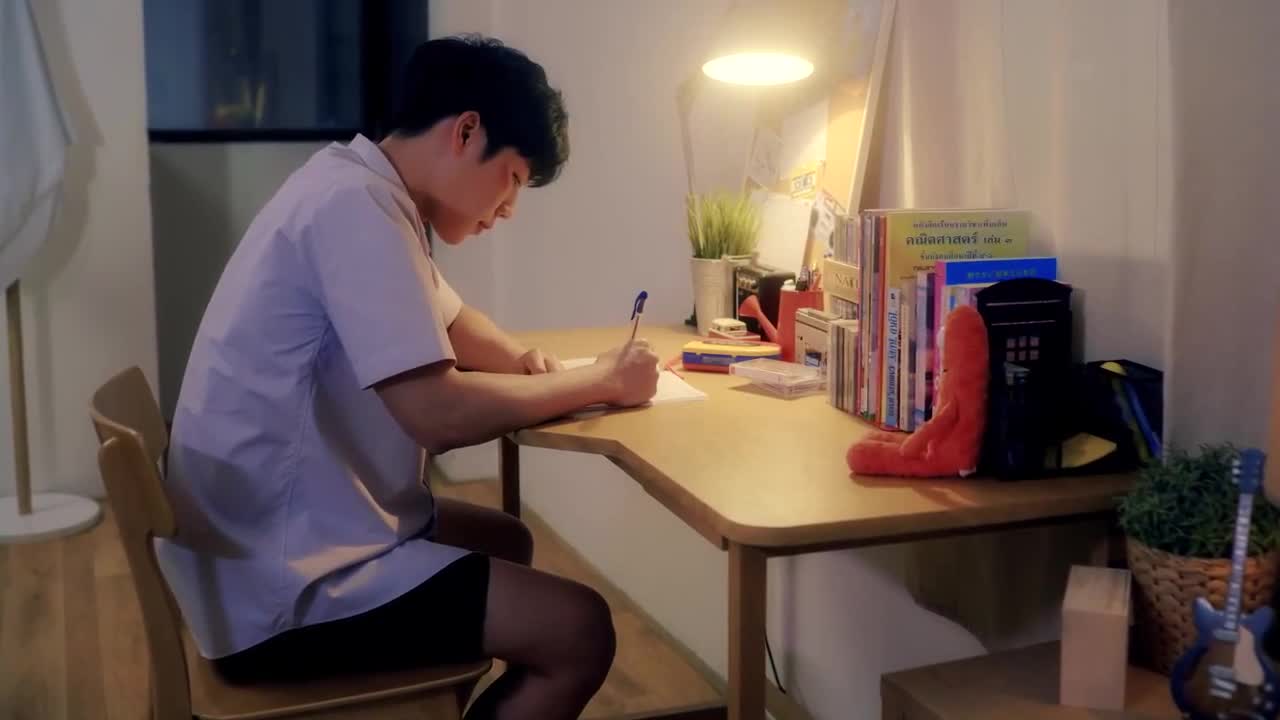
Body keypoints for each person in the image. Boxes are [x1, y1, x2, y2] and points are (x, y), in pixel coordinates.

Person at [157, 34, 659, 720]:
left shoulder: (357, 186)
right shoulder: (356, 209)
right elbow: (437, 414)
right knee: (581, 630)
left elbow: (451, 318)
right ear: (466, 132)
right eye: (513, 178)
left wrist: (523, 360)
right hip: (279, 585)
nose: (509, 209)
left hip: (252, 542)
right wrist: (599, 382)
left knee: (508, 540)